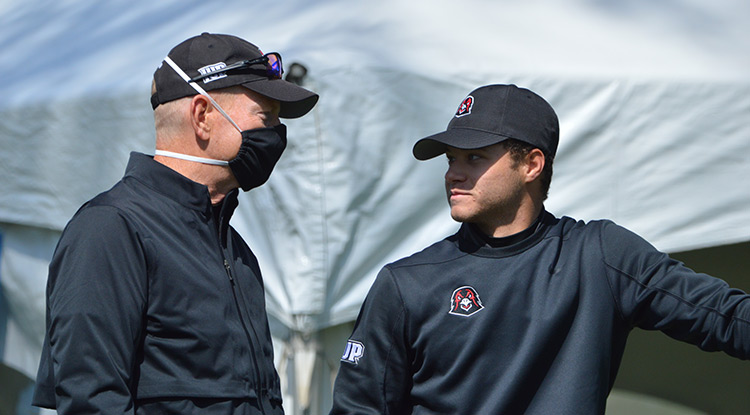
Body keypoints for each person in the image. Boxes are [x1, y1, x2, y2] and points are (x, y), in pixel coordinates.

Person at [329, 84, 750, 415]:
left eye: (474, 157)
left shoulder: (600, 255)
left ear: (532, 165)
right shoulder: (406, 283)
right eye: (450, 159)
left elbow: (726, 317)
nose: (454, 173)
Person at [32, 33, 318, 414]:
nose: (276, 136)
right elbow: (92, 401)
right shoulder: (111, 230)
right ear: (202, 116)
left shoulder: (235, 249)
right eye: (265, 118)